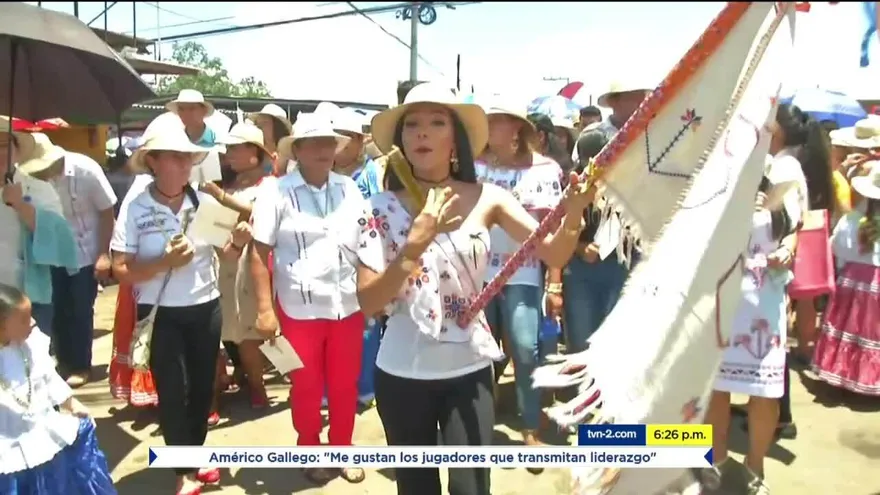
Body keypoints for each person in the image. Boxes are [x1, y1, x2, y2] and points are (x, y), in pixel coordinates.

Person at [351, 82, 595, 495]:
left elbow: (554, 253)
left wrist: (573, 213)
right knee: (416, 486)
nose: (422, 132)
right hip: (402, 372)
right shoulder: (378, 208)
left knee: (472, 487)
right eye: (411, 124)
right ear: (401, 140)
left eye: (436, 122)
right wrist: (414, 245)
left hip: (470, 369)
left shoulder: (489, 199)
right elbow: (369, 301)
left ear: (456, 141)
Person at [250, 113, 367, 485]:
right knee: (306, 386)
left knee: (345, 384)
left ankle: (342, 448)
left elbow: (368, 242)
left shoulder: (349, 189)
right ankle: (310, 448)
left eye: (328, 142)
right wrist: (264, 309)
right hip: (299, 309)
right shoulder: (276, 192)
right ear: (297, 150)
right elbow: (259, 252)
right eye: (313, 143)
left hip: (348, 305)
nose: (323, 149)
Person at [110, 126, 223, 495]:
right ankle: (183, 471)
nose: (185, 164)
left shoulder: (204, 202)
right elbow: (120, 269)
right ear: (153, 162)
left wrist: (237, 239)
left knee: (202, 389)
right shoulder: (135, 206)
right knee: (174, 391)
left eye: (188, 156)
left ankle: (194, 455)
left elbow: (228, 250)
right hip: (160, 313)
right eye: (176, 156)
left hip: (206, 306)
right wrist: (164, 263)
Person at [704, 110, 808, 495]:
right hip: (721, 297)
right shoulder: (716, 175)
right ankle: (715, 462)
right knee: (716, 388)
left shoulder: (784, 175)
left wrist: (787, 249)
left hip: (764, 300)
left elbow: (794, 227)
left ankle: (754, 467)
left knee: (764, 391)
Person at [476, 101, 564, 459]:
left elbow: (554, 228)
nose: (489, 127)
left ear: (516, 128)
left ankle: (530, 426)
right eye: (487, 121)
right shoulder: (471, 166)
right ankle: (481, 421)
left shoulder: (546, 169)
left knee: (525, 350)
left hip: (524, 273)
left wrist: (554, 282)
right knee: (479, 353)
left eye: (497, 121)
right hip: (476, 275)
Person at [18, 133, 117, 388]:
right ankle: (62, 364)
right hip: (51, 252)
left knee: (80, 308)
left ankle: (81, 365)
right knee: (56, 308)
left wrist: (104, 254)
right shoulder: (28, 177)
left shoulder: (86, 169)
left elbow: (107, 211)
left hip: (86, 251)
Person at [0, 283, 116, 494]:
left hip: (42, 432)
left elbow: (49, 377)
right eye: (24, 319)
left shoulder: (31, 344)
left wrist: (71, 404)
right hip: (8, 447)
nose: (33, 322)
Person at [205, 123, 273, 412]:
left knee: (250, 335)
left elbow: (261, 215)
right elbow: (210, 229)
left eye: (236, 148)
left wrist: (220, 199)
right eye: (228, 149)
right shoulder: (225, 187)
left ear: (255, 152)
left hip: (254, 268)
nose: (229, 154)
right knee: (218, 334)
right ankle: (214, 394)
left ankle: (257, 385)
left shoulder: (271, 186)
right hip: (222, 265)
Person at [0, 118, 78, 341]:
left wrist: (21, 205)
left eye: (4, 145)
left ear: (16, 151)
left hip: (28, 297)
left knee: (31, 357)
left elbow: (61, 240)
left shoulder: (38, 189)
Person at [812, 162, 880, 395]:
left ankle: (846, 375)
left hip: (852, 281)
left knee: (850, 330)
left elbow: (837, 248)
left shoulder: (851, 220)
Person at [331, 109, 384, 407]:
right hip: (329, 260)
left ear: (360, 141)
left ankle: (365, 388)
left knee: (365, 325)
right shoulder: (323, 172)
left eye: (347, 137)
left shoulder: (371, 173)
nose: (340, 144)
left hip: (364, 256)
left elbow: (378, 216)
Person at [563, 127, 631, 352]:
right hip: (580, 270)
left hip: (619, 267)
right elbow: (556, 232)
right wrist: (580, 247)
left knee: (614, 342)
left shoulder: (629, 184)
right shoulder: (571, 186)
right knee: (581, 341)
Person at [247, 103, 293, 170]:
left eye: (264, 123)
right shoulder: (253, 152)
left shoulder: (290, 155)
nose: (260, 127)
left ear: (278, 127)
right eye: (257, 124)